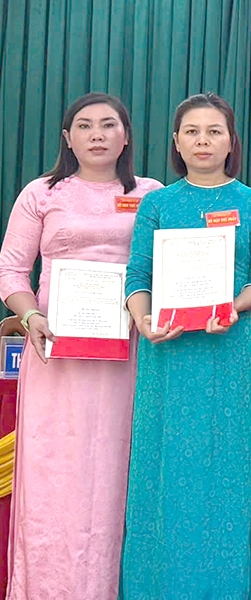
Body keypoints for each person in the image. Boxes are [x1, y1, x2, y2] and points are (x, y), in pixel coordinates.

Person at [0, 93, 162, 600]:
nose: (97, 134)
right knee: (56, 470)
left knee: (117, 467)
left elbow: (172, 266)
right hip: (56, 354)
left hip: (129, 354)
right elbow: (11, 270)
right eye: (85, 125)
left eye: (108, 124)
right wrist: (31, 316)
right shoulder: (41, 193)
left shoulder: (152, 194)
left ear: (126, 136)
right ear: (67, 138)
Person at [119, 93, 251, 599]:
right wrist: (143, 320)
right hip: (164, 353)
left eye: (214, 131)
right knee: (162, 469)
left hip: (224, 352)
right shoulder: (157, 203)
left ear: (232, 141)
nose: (203, 141)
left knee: (220, 470)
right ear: (176, 142)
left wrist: (234, 306)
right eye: (192, 132)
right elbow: (138, 275)